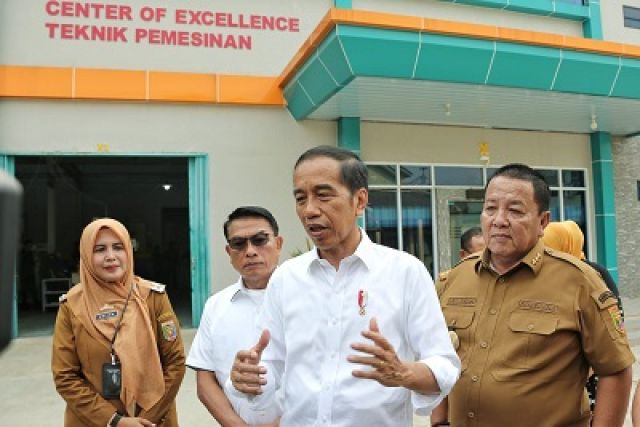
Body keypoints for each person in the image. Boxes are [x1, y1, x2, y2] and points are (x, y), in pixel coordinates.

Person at [227, 145, 460, 427]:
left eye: (323, 195)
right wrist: (250, 377)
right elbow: (271, 364)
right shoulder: (286, 278)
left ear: (359, 201)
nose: (309, 210)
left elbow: (444, 364)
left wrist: (403, 373)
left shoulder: (405, 272)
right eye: (301, 199)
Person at [436, 163, 634, 426]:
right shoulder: (454, 280)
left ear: (543, 221)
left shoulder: (580, 282)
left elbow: (615, 369)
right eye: (490, 208)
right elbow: (438, 358)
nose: (499, 220)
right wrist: (439, 420)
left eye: (515, 211)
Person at [52, 218, 185, 427]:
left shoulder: (153, 297)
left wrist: (147, 419)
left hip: (154, 420)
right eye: (99, 249)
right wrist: (115, 421)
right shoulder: (71, 306)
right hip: (95, 422)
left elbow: (175, 363)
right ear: (86, 255)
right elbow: (65, 376)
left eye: (118, 247)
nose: (111, 256)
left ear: (129, 251)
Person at [187, 206, 283, 426]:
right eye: (239, 243)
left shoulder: (306, 299)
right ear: (229, 252)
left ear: (278, 244)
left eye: (260, 240)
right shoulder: (216, 305)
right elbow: (205, 379)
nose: (250, 251)